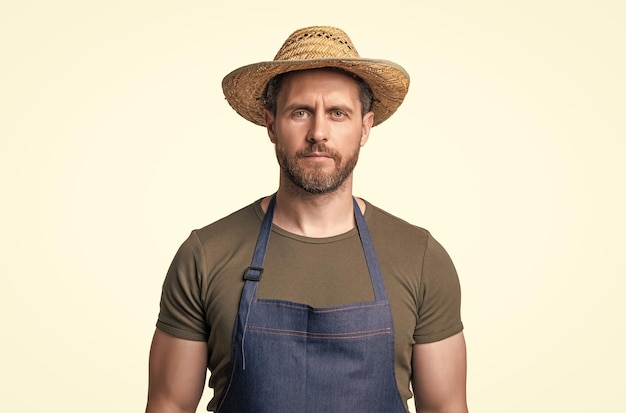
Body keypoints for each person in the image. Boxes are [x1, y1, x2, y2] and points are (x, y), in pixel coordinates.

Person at [146, 26, 467, 413]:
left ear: (364, 127)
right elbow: (168, 406)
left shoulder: (419, 257)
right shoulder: (205, 255)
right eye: (300, 112)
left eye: (337, 113)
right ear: (270, 124)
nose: (318, 132)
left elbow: (446, 407)